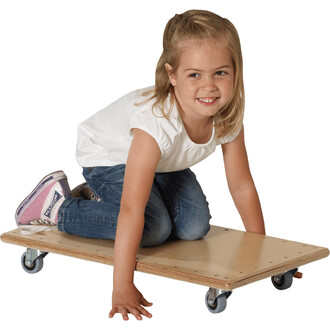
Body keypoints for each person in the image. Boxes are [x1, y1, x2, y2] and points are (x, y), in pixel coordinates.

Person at [15, 9, 265, 320]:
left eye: (221, 73)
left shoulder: (227, 118)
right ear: (172, 75)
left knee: (194, 225)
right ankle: (57, 207)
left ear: (236, 72)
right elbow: (132, 209)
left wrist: (263, 252)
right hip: (108, 158)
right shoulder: (156, 123)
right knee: (154, 228)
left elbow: (241, 184)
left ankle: (99, 197)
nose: (209, 86)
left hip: (162, 165)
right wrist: (122, 283)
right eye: (194, 75)